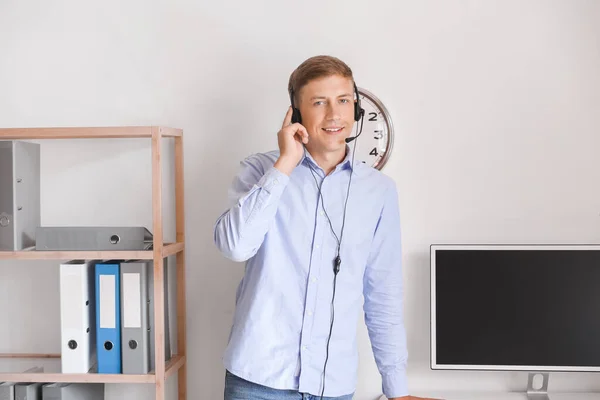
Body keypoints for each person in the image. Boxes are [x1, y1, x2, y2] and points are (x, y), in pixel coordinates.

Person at [214, 55, 438, 400]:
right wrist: (285, 163)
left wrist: (396, 389)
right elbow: (234, 246)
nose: (334, 115)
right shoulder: (261, 170)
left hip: (332, 387)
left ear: (356, 108)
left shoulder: (378, 191)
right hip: (257, 381)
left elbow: (383, 296)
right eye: (320, 103)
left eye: (344, 101)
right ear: (297, 114)